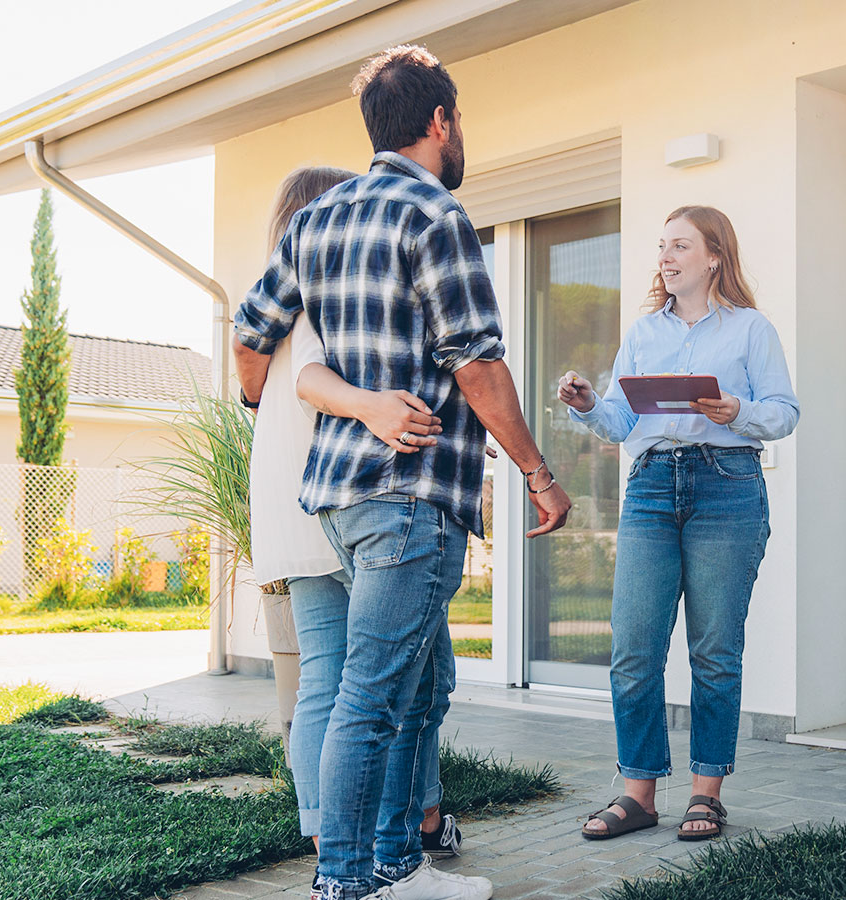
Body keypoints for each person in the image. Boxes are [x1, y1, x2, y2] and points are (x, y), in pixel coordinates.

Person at [231, 44, 570, 900]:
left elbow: (251, 333)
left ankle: (395, 867)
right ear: (440, 122)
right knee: (372, 698)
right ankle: (346, 881)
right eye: (459, 123)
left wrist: (253, 401)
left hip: (339, 495)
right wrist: (535, 469)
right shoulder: (433, 214)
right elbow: (478, 366)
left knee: (403, 688)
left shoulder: (318, 220)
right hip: (410, 495)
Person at [245, 165, 464, 867]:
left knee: (330, 681)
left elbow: (251, 384)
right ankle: (386, 838)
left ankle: (330, 834)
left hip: (295, 509)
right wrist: (373, 404)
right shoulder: (324, 300)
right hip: (346, 500)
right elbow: (313, 382)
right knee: (396, 686)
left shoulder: (272, 305)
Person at [558, 206, 797, 842]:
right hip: (653, 488)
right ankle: (639, 794)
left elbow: (784, 412)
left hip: (728, 487)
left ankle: (706, 794)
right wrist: (588, 406)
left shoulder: (751, 330)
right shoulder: (641, 333)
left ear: (714, 256)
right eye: (662, 246)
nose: (665, 256)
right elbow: (621, 421)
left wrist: (735, 410)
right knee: (634, 649)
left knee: (714, 651)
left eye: (681, 246)